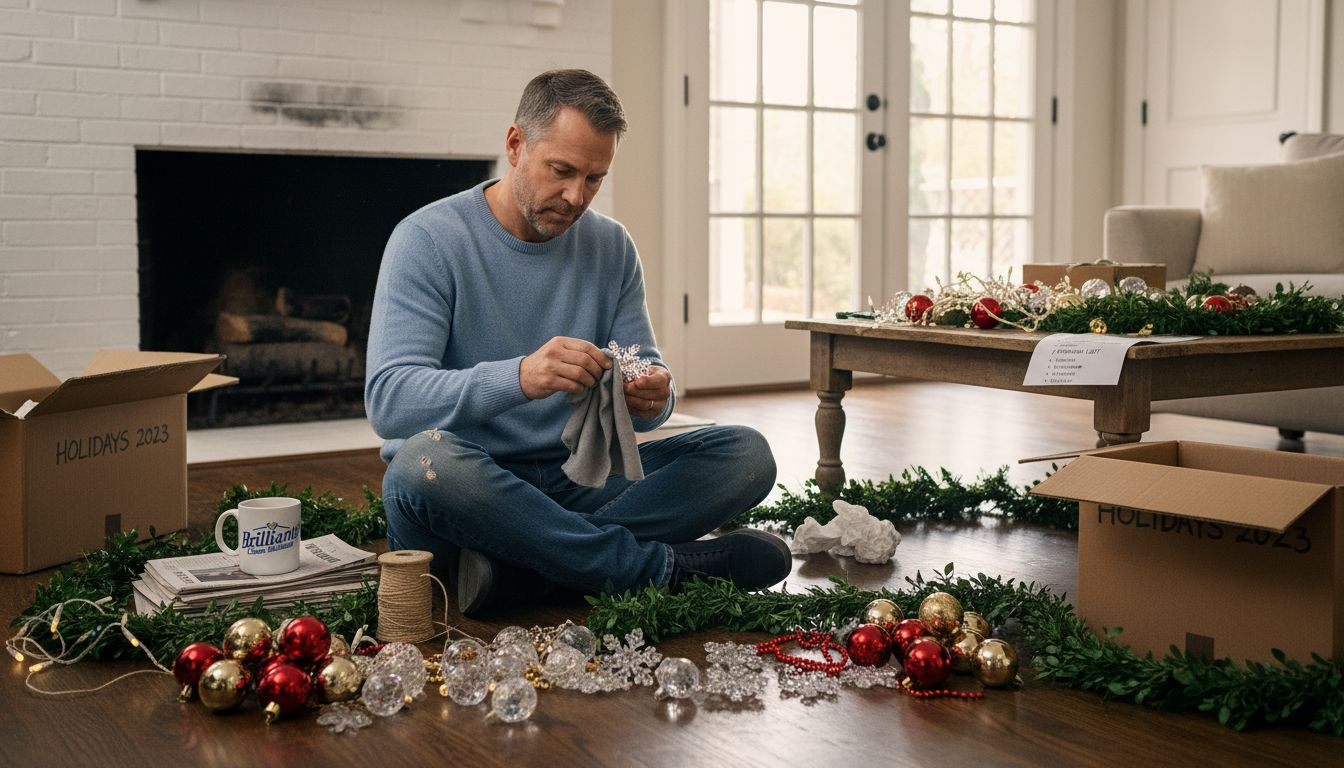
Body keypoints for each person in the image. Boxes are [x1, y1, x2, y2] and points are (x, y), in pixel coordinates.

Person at [366, 69, 790, 615]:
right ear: (515, 144)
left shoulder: (612, 246)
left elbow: (644, 387)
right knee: (420, 461)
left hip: (577, 479)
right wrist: (520, 377)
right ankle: (660, 569)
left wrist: (655, 397)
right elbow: (390, 401)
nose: (574, 197)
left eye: (594, 179)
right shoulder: (426, 239)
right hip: (470, 490)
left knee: (746, 454)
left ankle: (523, 573)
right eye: (561, 171)